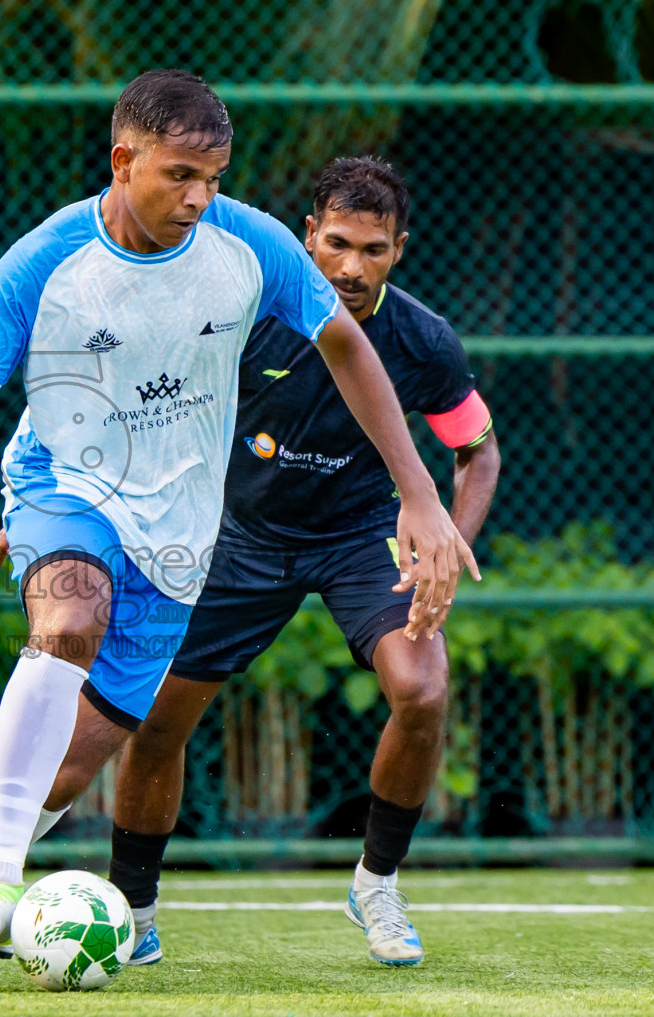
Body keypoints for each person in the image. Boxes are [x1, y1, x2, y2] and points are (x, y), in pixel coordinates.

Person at [0, 73, 476, 984]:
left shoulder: (248, 244)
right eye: (180, 176)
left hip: (180, 540)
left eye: (213, 177)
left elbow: (347, 347)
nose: (198, 198)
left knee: (63, 773)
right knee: (69, 617)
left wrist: (418, 492)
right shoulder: (44, 259)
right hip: (64, 488)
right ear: (122, 161)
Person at [95, 156, 499, 968]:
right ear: (308, 236)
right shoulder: (241, 313)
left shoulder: (423, 341)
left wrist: (446, 542)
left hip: (360, 540)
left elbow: (476, 451)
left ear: (400, 250)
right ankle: (134, 911)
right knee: (158, 721)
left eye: (374, 250)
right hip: (236, 535)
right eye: (338, 244)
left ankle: (375, 884)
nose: (352, 267)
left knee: (422, 690)